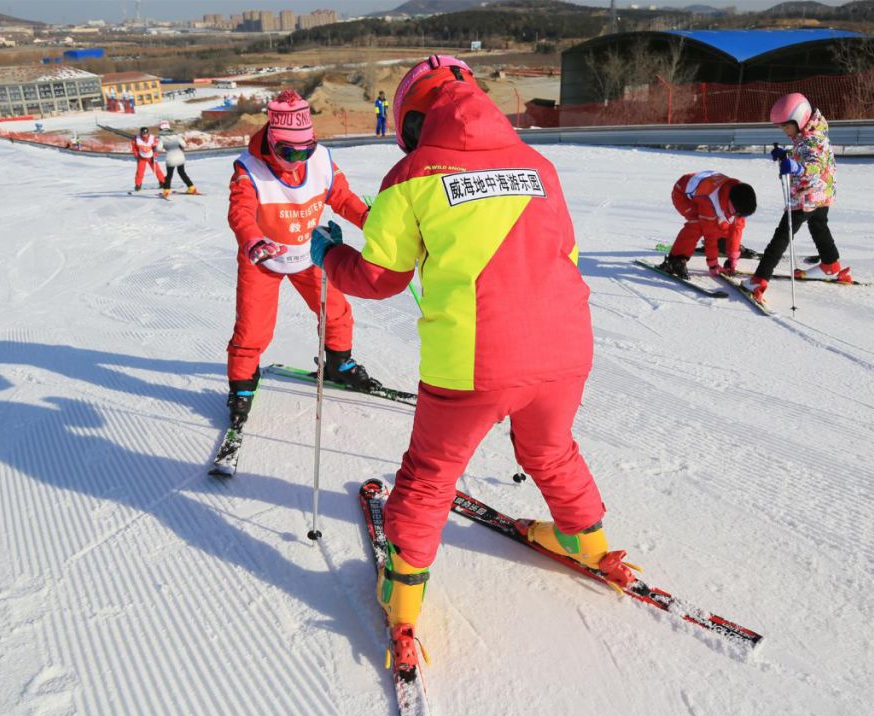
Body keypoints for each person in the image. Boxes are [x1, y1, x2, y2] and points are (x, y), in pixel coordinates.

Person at [311, 55, 639, 672]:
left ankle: (403, 590)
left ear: (411, 120)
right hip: (568, 347)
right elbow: (566, 250)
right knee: (550, 449)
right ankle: (586, 539)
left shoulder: (411, 174)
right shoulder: (540, 166)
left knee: (431, 472)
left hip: (475, 362)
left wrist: (329, 255)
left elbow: (380, 278)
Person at [224, 89, 378, 426]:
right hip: (264, 260)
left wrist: (372, 221)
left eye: (306, 149)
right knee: (253, 329)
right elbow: (241, 213)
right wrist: (253, 241)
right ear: (271, 140)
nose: (298, 160)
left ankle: (339, 363)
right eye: (287, 151)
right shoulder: (249, 170)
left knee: (337, 311)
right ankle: (242, 385)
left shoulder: (321, 160)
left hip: (308, 254)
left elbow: (342, 197)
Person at [742, 93, 849, 300]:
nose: (783, 130)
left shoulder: (810, 140)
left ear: (799, 119)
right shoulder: (811, 133)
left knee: (782, 235)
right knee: (819, 226)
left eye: (785, 126)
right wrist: (786, 156)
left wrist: (797, 167)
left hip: (807, 195)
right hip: (821, 193)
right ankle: (830, 264)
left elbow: (814, 166)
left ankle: (759, 279)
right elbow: (806, 155)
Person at [659, 171, 756, 279]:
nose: (739, 216)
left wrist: (733, 258)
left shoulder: (739, 197)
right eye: (737, 213)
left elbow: (736, 230)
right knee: (698, 224)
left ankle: (721, 242)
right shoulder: (709, 199)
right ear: (730, 202)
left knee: (726, 222)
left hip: (708, 187)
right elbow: (710, 233)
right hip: (682, 194)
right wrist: (713, 263)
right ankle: (675, 260)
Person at [157, 120, 197, 197]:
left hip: (171, 157)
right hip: (180, 156)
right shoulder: (176, 135)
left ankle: (166, 191)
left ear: (160, 128)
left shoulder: (161, 137)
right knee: (182, 172)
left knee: (169, 175)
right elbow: (184, 145)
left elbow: (158, 149)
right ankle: (191, 187)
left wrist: (155, 148)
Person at [131, 126, 165, 192]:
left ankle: (162, 182)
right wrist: (136, 155)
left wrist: (155, 154)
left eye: (146, 134)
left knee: (157, 170)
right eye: (143, 134)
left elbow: (156, 147)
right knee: (140, 172)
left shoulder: (152, 138)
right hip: (142, 157)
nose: (145, 135)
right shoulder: (136, 139)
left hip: (151, 157)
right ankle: (138, 185)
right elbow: (134, 148)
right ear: (141, 133)